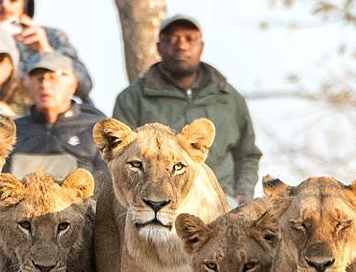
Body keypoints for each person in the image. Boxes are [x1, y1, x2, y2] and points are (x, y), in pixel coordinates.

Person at [111, 15, 261, 200]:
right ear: (158, 47)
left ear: (201, 46)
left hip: (220, 197)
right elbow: (117, 157)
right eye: (172, 39)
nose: (181, 46)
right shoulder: (132, 98)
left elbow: (247, 154)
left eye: (190, 39)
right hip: (157, 199)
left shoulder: (228, 97)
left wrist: (243, 193)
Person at [7, 52, 104, 178]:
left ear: (72, 85)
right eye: (39, 78)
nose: (45, 85)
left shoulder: (96, 131)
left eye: (53, 78)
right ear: (28, 85)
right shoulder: (12, 132)